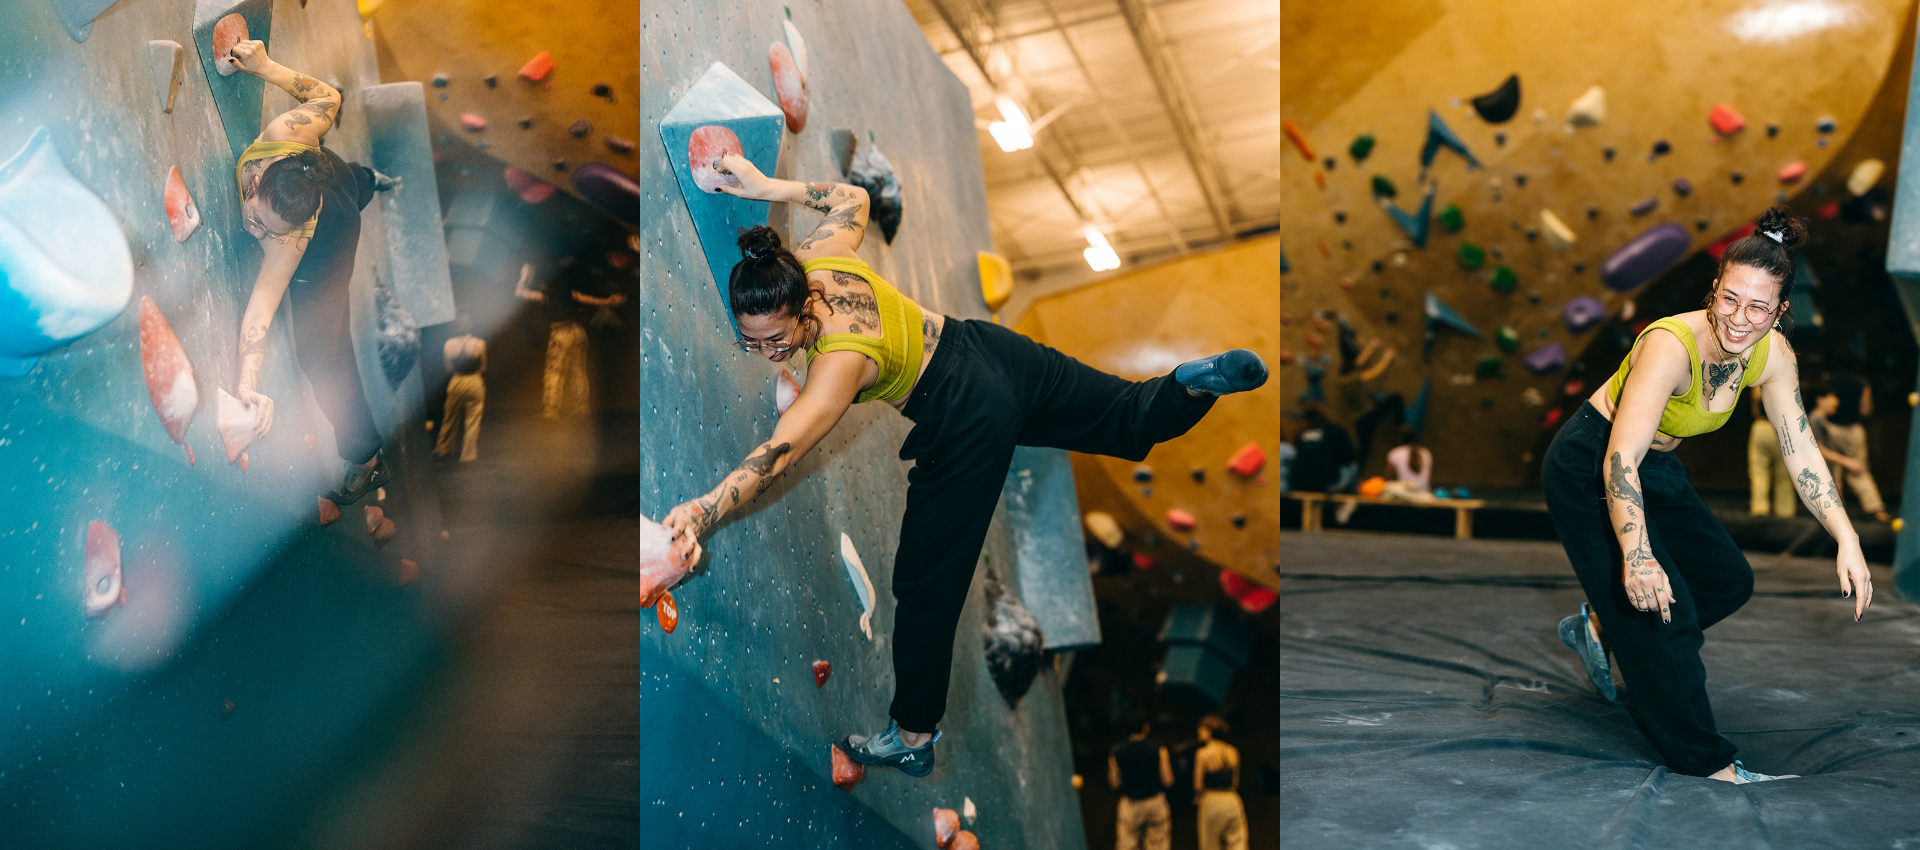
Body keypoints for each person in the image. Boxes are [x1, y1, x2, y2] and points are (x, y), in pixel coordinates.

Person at [654, 154, 1267, 777]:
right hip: (991, 350)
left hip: (966, 415)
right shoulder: (819, 256)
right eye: (751, 343)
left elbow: (778, 453)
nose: (767, 352)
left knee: (928, 587)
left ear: (804, 308)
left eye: (777, 339)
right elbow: (852, 200)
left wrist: (704, 510)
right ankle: (1193, 384)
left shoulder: (841, 362)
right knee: (1129, 417)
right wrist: (764, 186)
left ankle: (914, 735)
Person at [1544, 207, 1870, 784]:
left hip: (1660, 465)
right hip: (1591, 461)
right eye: (1729, 300)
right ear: (1713, 290)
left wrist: (1847, 536)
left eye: (1759, 307)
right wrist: (1638, 558)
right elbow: (1619, 460)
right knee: (1665, 618)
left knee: (1727, 580)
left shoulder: (1773, 357)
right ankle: (1707, 762)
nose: (1739, 319)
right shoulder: (1670, 345)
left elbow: (1800, 451)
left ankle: (1600, 624)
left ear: (1781, 311)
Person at [227, 40, 398, 506]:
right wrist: (266, 67)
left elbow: (263, 305)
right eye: (257, 217)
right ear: (260, 178)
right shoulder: (287, 134)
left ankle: (368, 460)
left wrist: (247, 381)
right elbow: (327, 97)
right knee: (346, 177)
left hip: (329, 253)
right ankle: (370, 180)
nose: (253, 227)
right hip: (331, 176)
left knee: (323, 358)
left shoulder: (292, 243)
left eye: (266, 231)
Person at [514, 259, 626, 419]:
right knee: (578, 370)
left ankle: (551, 411)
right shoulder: (567, 291)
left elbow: (519, 293)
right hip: (577, 331)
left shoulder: (546, 295)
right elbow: (587, 299)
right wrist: (609, 301)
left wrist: (524, 276)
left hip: (561, 334)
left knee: (554, 372)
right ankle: (582, 407)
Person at [1810, 372, 1891, 522]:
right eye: (1833, 398)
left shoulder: (1828, 381)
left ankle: (1837, 511)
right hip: (1852, 428)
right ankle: (1874, 508)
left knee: (1836, 474)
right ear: (1821, 400)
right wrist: (1848, 462)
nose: (1837, 402)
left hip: (1834, 426)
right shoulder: (1861, 382)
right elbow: (1865, 410)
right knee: (1849, 473)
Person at [1108, 711, 1174, 850]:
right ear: (1146, 727)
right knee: (1158, 844)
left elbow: (1114, 783)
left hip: (1130, 803)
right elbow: (1167, 780)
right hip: (1154, 801)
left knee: (1127, 844)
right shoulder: (1159, 749)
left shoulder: (1116, 752)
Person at [1290, 407, 1360, 523]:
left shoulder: (1301, 433)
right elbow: (1349, 458)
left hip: (1298, 483)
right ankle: (1345, 500)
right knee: (1352, 467)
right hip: (1327, 484)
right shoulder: (1336, 430)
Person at [435, 317, 486, 462]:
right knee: (473, 419)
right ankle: (468, 455)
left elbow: (448, 368)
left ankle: (443, 449)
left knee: (450, 417)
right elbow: (483, 366)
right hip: (474, 380)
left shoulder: (449, 344)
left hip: (457, 380)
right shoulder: (479, 343)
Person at [1193, 716, 1247, 850]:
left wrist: (1198, 796)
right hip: (1232, 799)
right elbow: (1235, 782)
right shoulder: (1233, 751)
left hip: (1212, 799)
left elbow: (1198, 785)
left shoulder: (1203, 753)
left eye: (1202, 728)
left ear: (1210, 731)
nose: (1199, 731)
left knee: (1210, 843)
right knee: (1237, 842)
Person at [1746, 395, 1795, 518]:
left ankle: (1759, 509)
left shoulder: (1757, 383)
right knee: (1784, 476)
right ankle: (1785, 511)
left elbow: (1754, 406)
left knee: (1759, 473)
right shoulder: (1784, 382)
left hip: (1761, 425)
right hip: (1782, 427)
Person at [1382, 426, 1432, 502]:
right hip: (1425, 496)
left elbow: (1389, 477)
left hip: (1404, 496)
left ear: (1400, 439)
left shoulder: (1395, 453)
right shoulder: (1426, 453)